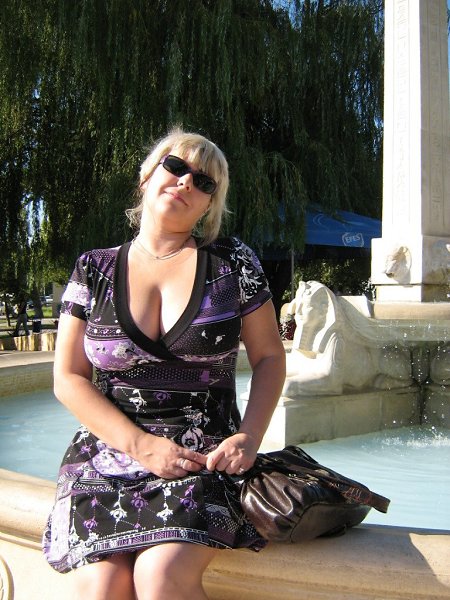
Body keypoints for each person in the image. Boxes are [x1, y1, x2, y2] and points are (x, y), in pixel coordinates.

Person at [42, 128, 286, 600]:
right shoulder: (93, 269)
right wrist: (141, 446)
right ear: (146, 176)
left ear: (209, 205)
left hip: (200, 458)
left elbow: (270, 356)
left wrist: (250, 436)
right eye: (175, 167)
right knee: (102, 587)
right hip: (106, 457)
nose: (186, 182)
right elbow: (68, 378)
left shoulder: (233, 263)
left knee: (160, 578)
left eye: (204, 182)